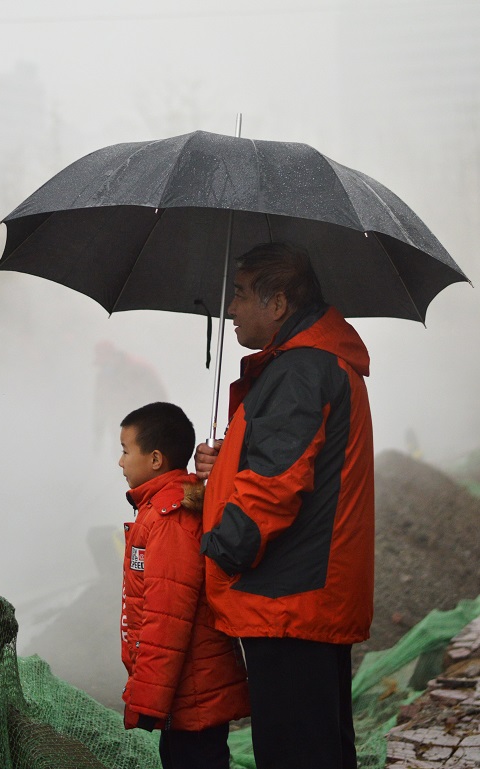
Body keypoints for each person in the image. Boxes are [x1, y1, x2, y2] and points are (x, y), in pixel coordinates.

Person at [195, 242, 375, 769]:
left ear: (277, 304)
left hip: (287, 601)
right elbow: (283, 460)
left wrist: (220, 548)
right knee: (321, 748)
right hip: (306, 595)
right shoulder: (313, 363)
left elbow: (275, 486)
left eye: (240, 294)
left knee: (296, 753)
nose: (231, 309)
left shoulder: (300, 371)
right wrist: (224, 465)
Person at [118, 401, 250, 769]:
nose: (120, 461)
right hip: (185, 691)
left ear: (155, 459)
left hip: (194, 692)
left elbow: (166, 618)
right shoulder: (156, 509)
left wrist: (146, 700)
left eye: (126, 450)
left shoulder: (170, 518)